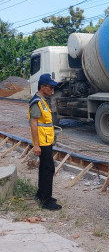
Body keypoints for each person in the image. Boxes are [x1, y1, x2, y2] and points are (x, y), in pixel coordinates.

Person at [28, 73, 61, 211]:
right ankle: (46, 201)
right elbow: (34, 124)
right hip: (42, 142)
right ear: (42, 87)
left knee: (44, 168)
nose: (52, 90)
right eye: (50, 87)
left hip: (47, 140)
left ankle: (41, 194)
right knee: (48, 168)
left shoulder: (43, 100)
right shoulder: (37, 102)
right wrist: (36, 145)